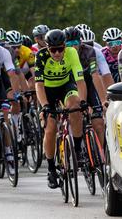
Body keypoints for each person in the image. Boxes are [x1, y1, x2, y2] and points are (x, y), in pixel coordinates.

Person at [35, 29, 87, 189]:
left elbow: (80, 80)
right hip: (47, 91)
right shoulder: (41, 56)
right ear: (47, 47)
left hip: (65, 85)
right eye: (53, 50)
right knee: (50, 129)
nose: (57, 53)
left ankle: (78, 149)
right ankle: (51, 168)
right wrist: (44, 106)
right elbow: (39, 85)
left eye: (60, 49)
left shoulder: (71, 53)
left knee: (76, 107)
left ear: (65, 46)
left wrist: (83, 101)